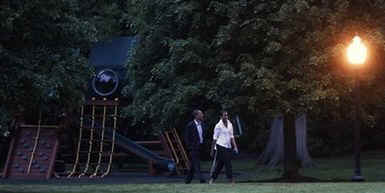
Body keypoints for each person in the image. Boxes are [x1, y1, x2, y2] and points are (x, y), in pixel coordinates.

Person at [209, 111, 238, 184]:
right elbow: (215, 138)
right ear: (221, 117)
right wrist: (212, 150)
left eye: (227, 115)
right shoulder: (218, 126)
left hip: (228, 146)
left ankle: (212, 178)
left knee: (220, 164)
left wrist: (235, 147)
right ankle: (231, 179)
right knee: (228, 162)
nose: (226, 117)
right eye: (224, 115)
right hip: (220, 145)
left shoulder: (230, 124)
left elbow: (232, 137)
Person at [184, 109, 206, 184]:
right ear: (196, 116)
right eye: (201, 114)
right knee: (197, 163)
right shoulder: (190, 125)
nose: (202, 115)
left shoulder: (202, 124)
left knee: (193, 166)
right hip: (193, 148)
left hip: (200, 147)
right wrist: (189, 147)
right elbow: (187, 137)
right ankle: (201, 179)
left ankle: (188, 181)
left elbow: (203, 135)